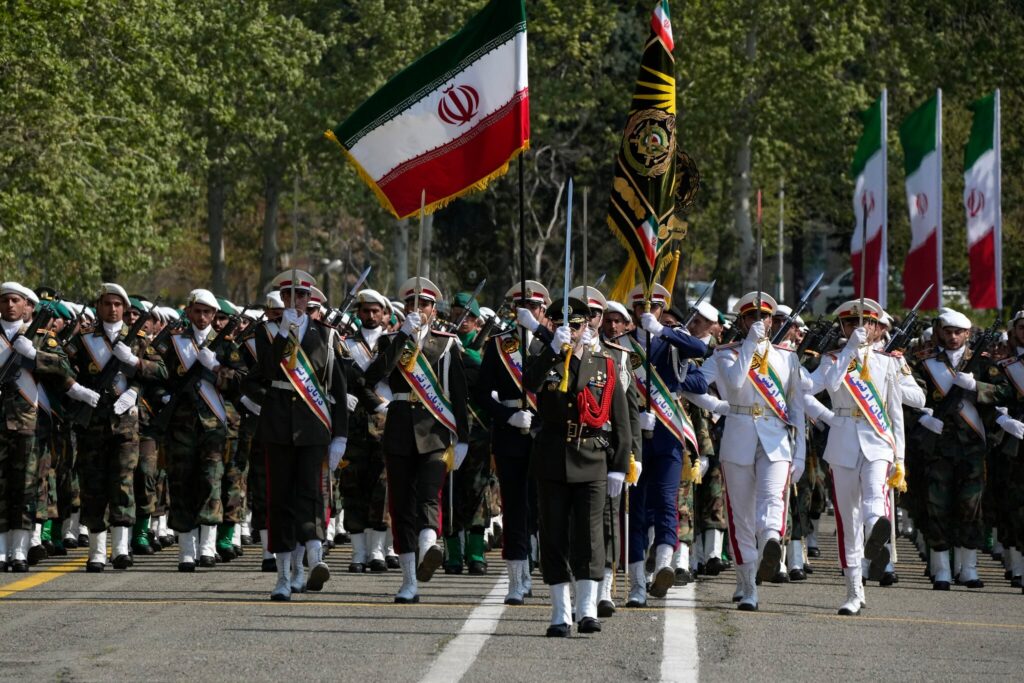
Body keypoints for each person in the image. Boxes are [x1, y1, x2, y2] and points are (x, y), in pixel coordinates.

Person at [523, 296, 632, 637]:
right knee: (554, 535)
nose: (571, 330)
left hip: (592, 454)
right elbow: (530, 384)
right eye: (563, 325)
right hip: (553, 455)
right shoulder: (546, 358)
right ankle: (560, 612)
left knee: (590, 535)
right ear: (554, 326)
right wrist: (554, 351)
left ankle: (587, 609)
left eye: (577, 324)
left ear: (588, 326)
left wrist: (618, 464)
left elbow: (620, 418)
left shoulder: (606, 362)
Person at [363, 277, 469, 604]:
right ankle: (409, 580)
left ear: (433, 310)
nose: (417, 309)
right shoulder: (390, 340)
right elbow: (372, 376)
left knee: (428, 493)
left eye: (423, 304)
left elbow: (459, 393)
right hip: (398, 430)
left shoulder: (447, 344)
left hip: (434, 430)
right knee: (400, 505)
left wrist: (462, 437)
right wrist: (402, 337)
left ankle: (428, 546)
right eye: (411, 304)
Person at [251, 271, 349, 601]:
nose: (296, 301)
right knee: (279, 500)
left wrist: (341, 436)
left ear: (310, 300)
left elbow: (337, 388)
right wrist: (283, 332)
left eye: (301, 296)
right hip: (278, 425)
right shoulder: (266, 332)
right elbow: (264, 371)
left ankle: (307, 565)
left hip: (313, 426)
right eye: (289, 296)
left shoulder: (326, 335)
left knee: (310, 496)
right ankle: (282, 576)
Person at [804, 300, 905, 615]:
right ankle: (853, 592)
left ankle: (876, 531)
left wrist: (900, 457)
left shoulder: (889, 362)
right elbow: (825, 386)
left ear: (877, 328)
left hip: (878, 439)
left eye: (865, 323)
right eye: (849, 324)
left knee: (875, 491)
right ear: (843, 328)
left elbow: (895, 412)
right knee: (847, 520)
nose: (858, 329)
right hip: (844, 439)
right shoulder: (833, 359)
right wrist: (849, 350)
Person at [65, 283, 166, 572]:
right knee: (93, 486)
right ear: (99, 306)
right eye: (107, 303)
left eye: (118, 304)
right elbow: (62, 367)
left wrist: (136, 368)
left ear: (125, 308)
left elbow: (162, 370)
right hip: (93, 424)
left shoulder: (140, 339)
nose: (112, 309)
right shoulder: (84, 340)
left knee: (123, 485)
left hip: (124, 426)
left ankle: (121, 549)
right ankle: (96, 552)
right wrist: (78, 391)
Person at [713, 291, 805, 611]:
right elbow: (735, 385)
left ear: (772, 320)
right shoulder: (726, 353)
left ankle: (770, 545)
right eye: (751, 317)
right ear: (741, 321)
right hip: (738, 436)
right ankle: (747, 583)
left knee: (772, 498)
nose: (760, 322)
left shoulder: (787, 357)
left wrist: (802, 452)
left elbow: (797, 409)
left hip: (775, 438)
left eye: (764, 317)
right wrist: (750, 345)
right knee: (741, 516)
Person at [625, 284, 708, 606]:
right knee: (636, 509)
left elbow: (701, 351)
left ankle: (662, 564)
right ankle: (635, 582)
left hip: (668, 433)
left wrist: (661, 331)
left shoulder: (673, 341)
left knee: (666, 502)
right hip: (635, 433)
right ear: (633, 310)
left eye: (656, 308)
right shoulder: (623, 344)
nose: (649, 312)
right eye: (643, 308)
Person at [908, 309, 1003, 590]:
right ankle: (941, 569)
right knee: (937, 506)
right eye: (947, 331)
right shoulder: (923, 363)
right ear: (939, 331)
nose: (952, 337)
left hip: (971, 448)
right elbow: (905, 398)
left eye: (958, 332)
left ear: (968, 334)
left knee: (970, 508)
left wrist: (977, 387)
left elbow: (1005, 393)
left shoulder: (983, 363)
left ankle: (969, 568)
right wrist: (923, 418)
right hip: (936, 448)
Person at [155, 289, 245, 572]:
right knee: (181, 484)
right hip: (180, 426)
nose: (203, 317)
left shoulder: (226, 345)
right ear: (189, 311)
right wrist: (162, 396)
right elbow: (156, 374)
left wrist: (217, 368)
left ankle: (207, 547)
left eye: (209, 312)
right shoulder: (172, 342)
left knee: (211, 481)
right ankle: (186, 550)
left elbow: (241, 381)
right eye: (198, 311)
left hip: (213, 427)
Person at [476, 280, 550, 604]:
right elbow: (480, 393)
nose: (526, 312)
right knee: (515, 508)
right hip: (511, 434)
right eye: (520, 307)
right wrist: (507, 416)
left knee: (546, 507)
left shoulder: (553, 344)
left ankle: (551, 570)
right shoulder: (497, 345)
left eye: (532, 307)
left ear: (542, 311)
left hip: (547, 436)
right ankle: (517, 581)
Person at [0, 283, 74, 571]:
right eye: (4, 300)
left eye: (15, 300)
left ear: (27, 305)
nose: (9, 305)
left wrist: (33, 355)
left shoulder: (40, 338)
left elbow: (64, 370)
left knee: (25, 487)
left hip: (29, 424)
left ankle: (20, 549)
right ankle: (2, 549)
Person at [337, 289, 392, 574]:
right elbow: (340, 377)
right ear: (357, 313)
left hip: (385, 424)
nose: (370, 316)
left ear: (385, 315)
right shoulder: (345, 343)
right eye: (365, 311)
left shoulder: (393, 344)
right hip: (354, 424)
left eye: (375, 311)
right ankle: (358, 553)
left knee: (382, 487)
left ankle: (377, 551)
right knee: (352, 486)